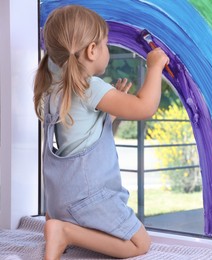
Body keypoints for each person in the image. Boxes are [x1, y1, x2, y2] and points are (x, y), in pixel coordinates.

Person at [33, 5, 169, 260]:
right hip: (87, 198)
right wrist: (155, 68)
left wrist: (112, 110)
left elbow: (84, 135)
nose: (108, 50)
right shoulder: (90, 87)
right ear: (92, 50)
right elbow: (145, 107)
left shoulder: (55, 88)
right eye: (106, 44)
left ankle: (63, 227)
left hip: (58, 200)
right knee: (140, 244)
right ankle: (66, 234)